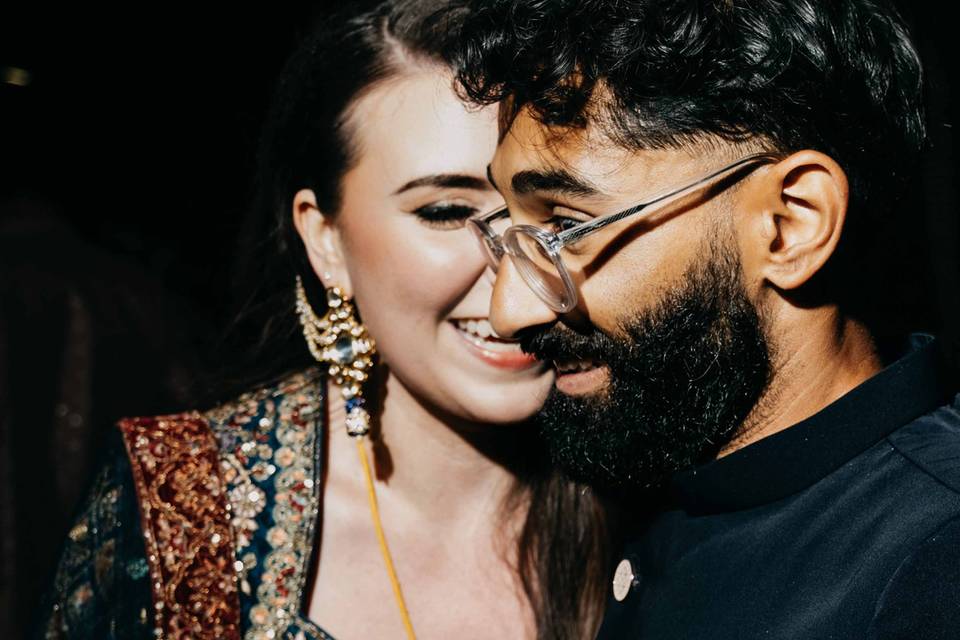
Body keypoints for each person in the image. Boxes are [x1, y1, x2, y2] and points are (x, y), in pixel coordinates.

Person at [34, 3, 615, 639]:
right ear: (326, 241)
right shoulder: (183, 507)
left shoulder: (656, 487)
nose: (515, 279)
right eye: (447, 212)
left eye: (550, 210)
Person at [452, 0, 960, 638]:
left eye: (566, 227)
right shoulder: (668, 458)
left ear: (789, 225)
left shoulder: (934, 566)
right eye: (511, 227)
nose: (506, 311)